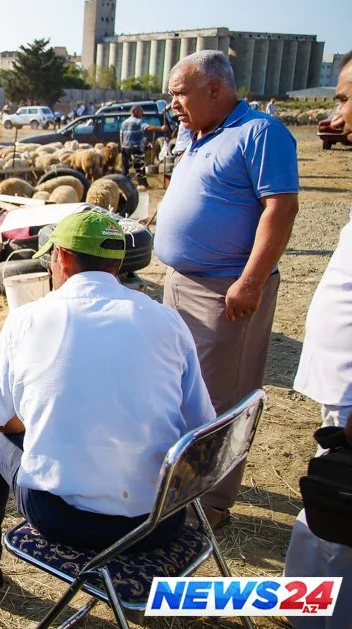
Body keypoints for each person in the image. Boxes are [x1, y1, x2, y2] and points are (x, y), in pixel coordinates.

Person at [0, 209, 215, 595]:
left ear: (61, 257)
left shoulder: (27, 319)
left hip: (64, 521)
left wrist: (44, 423)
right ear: (118, 263)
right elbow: (203, 427)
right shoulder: (167, 321)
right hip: (160, 520)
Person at [155, 50, 300, 532]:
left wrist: (251, 280)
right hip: (179, 282)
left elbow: (280, 209)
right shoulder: (192, 134)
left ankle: (212, 502)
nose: (172, 102)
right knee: (181, 386)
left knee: (223, 393)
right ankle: (183, 481)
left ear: (214, 89)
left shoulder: (260, 133)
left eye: (180, 92)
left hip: (224, 289)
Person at [273, 52, 352, 629]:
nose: (338, 114)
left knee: (337, 521)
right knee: (328, 511)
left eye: (347, 99)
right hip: (341, 400)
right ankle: (308, 614)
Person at [119, 105, 166, 177]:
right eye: (141, 111)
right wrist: (161, 129)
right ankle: (143, 184)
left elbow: (121, 135)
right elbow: (148, 127)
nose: (142, 113)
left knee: (125, 167)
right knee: (139, 167)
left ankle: (124, 182)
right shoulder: (138, 121)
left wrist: (122, 146)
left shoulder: (124, 122)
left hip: (125, 148)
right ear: (135, 112)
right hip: (136, 147)